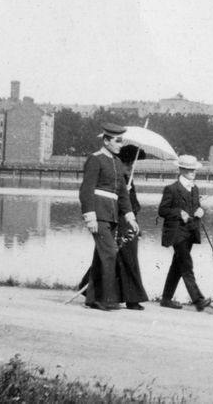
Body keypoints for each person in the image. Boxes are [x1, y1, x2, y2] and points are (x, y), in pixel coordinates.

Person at [78, 123, 139, 311]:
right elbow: (86, 191)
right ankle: (105, 299)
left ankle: (93, 298)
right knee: (110, 253)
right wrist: (90, 217)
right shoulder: (95, 160)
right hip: (99, 214)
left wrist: (130, 217)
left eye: (121, 140)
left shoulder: (117, 163)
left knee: (101, 257)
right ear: (106, 141)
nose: (121, 144)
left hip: (112, 215)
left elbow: (122, 193)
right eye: (117, 141)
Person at [158, 155, 212, 311]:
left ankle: (166, 299)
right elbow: (162, 210)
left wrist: (200, 211)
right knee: (186, 264)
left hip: (190, 232)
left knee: (178, 264)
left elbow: (197, 206)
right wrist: (178, 212)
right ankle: (198, 300)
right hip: (176, 232)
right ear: (181, 170)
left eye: (194, 169)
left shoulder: (195, 188)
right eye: (189, 170)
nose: (192, 172)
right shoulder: (172, 189)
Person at [116, 144, 149, 310]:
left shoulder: (129, 180)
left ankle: (129, 297)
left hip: (129, 222)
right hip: (119, 223)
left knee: (126, 257)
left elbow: (134, 207)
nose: (130, 167)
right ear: (120, 163)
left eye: (131, 164)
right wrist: (122, 194)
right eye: (127, 164)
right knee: (125, 258)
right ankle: (131, 299)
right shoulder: (116, 179)